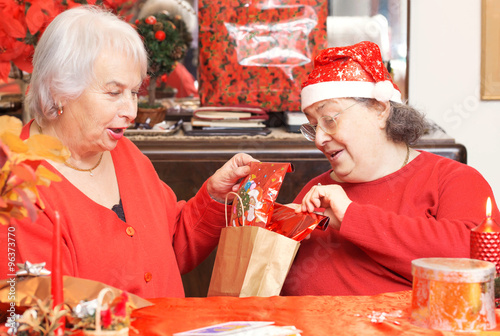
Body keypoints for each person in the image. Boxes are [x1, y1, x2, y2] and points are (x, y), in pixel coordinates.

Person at [8, 5, 254, 299]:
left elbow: (170, 245)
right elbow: (41, 317)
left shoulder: (126, 153)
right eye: (114, 93)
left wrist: (214, 195)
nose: (132, 112)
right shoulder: (21, 190)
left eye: (134, 92)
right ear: (60, 88)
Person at [281, 41, 500, 296]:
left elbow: (473, 263)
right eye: (312, 126)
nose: (319, 139)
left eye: (329, 120)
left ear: (379, 109)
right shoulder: (315, 190)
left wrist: (352, 217)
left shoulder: (454, 180)